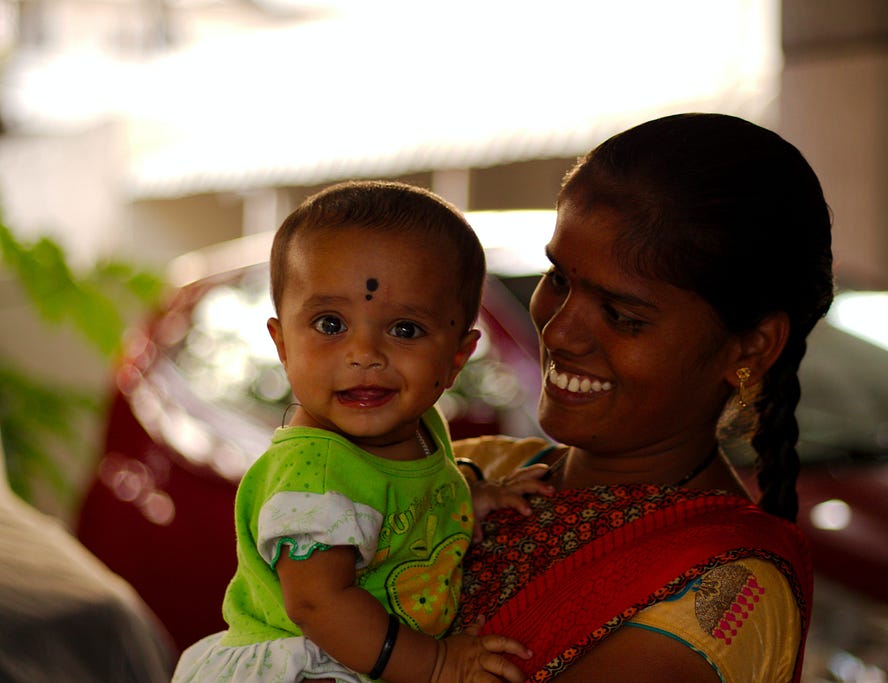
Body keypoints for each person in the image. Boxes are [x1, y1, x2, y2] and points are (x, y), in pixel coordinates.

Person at [453, 113, 833, 682]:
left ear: (750, 347)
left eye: (622, 316)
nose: (558, 331)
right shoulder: (481, 471)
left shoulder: (722, 589)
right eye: (557, 276)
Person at [173, 180, 550, 683]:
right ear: (282, 344)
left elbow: (408, 501)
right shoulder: (316, 475)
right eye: (330, 324)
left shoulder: (419, 428)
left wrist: (470, 497)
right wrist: (437, 664)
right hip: (311, 663)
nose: (365, 354)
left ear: (457, 356)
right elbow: (317, 602)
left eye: (405, 330)